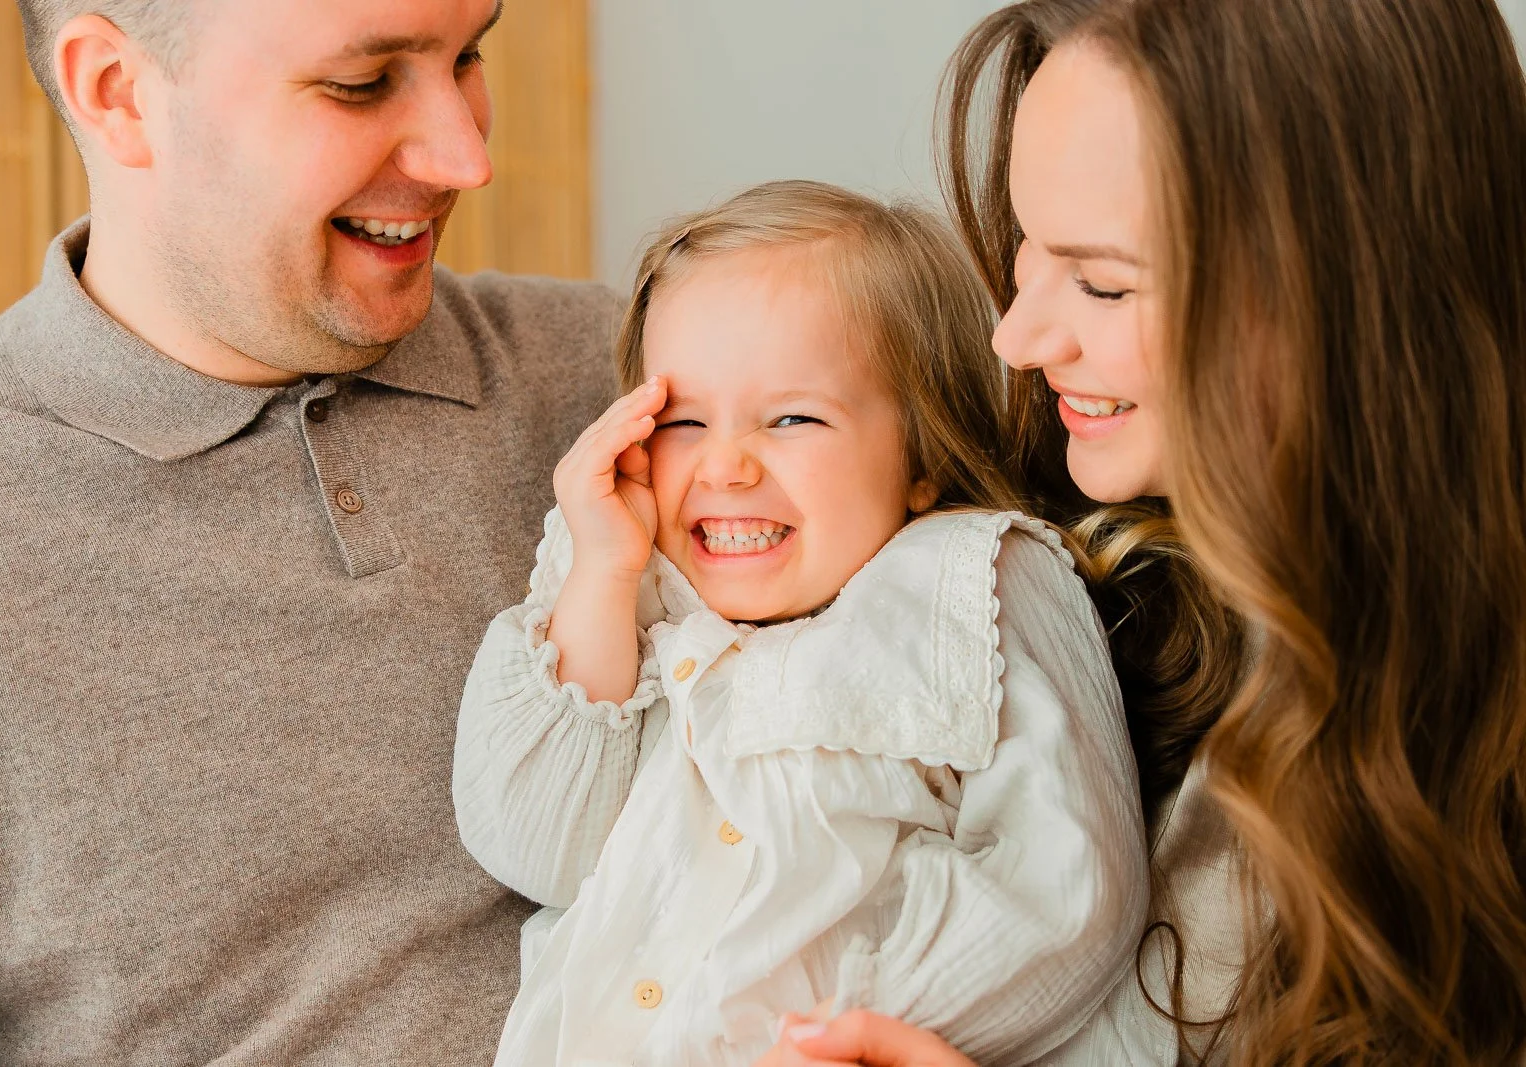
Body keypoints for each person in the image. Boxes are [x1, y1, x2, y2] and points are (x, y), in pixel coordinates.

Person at [760, 0, 1526, 1064]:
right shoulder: (1035, 586)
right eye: (1025, 248)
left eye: (1104, 282)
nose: (1017, 336)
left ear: (1344, 290)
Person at [0, 0, 616, 1061]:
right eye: (361, 81)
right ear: (118, 92)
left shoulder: (657, 386)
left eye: (468, 54)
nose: (465, 155)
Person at [452, 180, 1154, 1066]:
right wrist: (600, 574)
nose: (726, 464)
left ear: (922, 453)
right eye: (682, 419)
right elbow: (536, 847)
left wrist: (844, 1028)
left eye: (792, 417)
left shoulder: (976, 579)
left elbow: (1068, 890)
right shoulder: (637, 598)